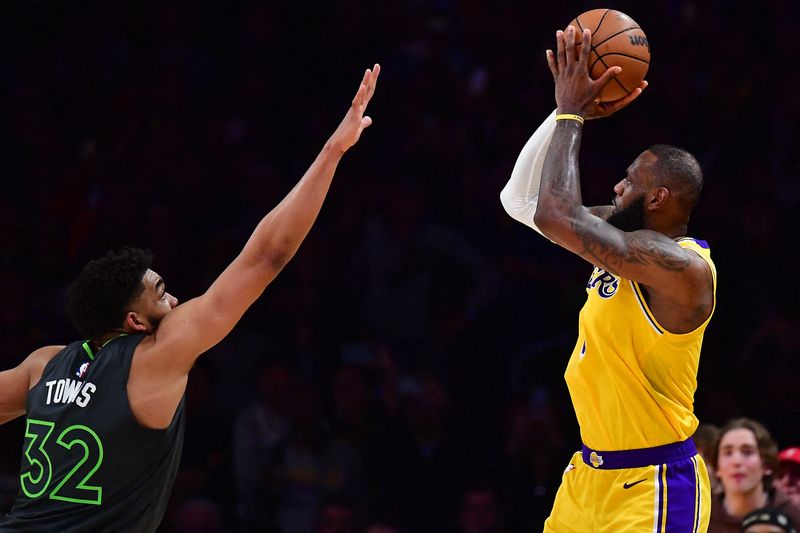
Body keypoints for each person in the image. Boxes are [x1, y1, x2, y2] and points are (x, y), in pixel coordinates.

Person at [0, 64, 380, 531]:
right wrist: (331, 152)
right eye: (162, 294)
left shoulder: (41, 366)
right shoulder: (155, 355)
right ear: (135, 321)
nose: (176, 302)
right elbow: (266, 257)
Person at [500, 25, 715, 531]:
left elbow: (559, 216)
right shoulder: (622, 240)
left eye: (630, 180)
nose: (617, 186)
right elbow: (521, 202)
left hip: (655, 485)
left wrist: (574, 112)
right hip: (586, 478)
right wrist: (559, 118)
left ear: (659, 198)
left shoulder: (683, 268)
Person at [709, 418, 800, 532]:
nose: (736, 461)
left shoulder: (793, 514)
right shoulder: (702, 515)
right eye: (728, 453)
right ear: (717, 467)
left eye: (747, 452)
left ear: (766, 464)